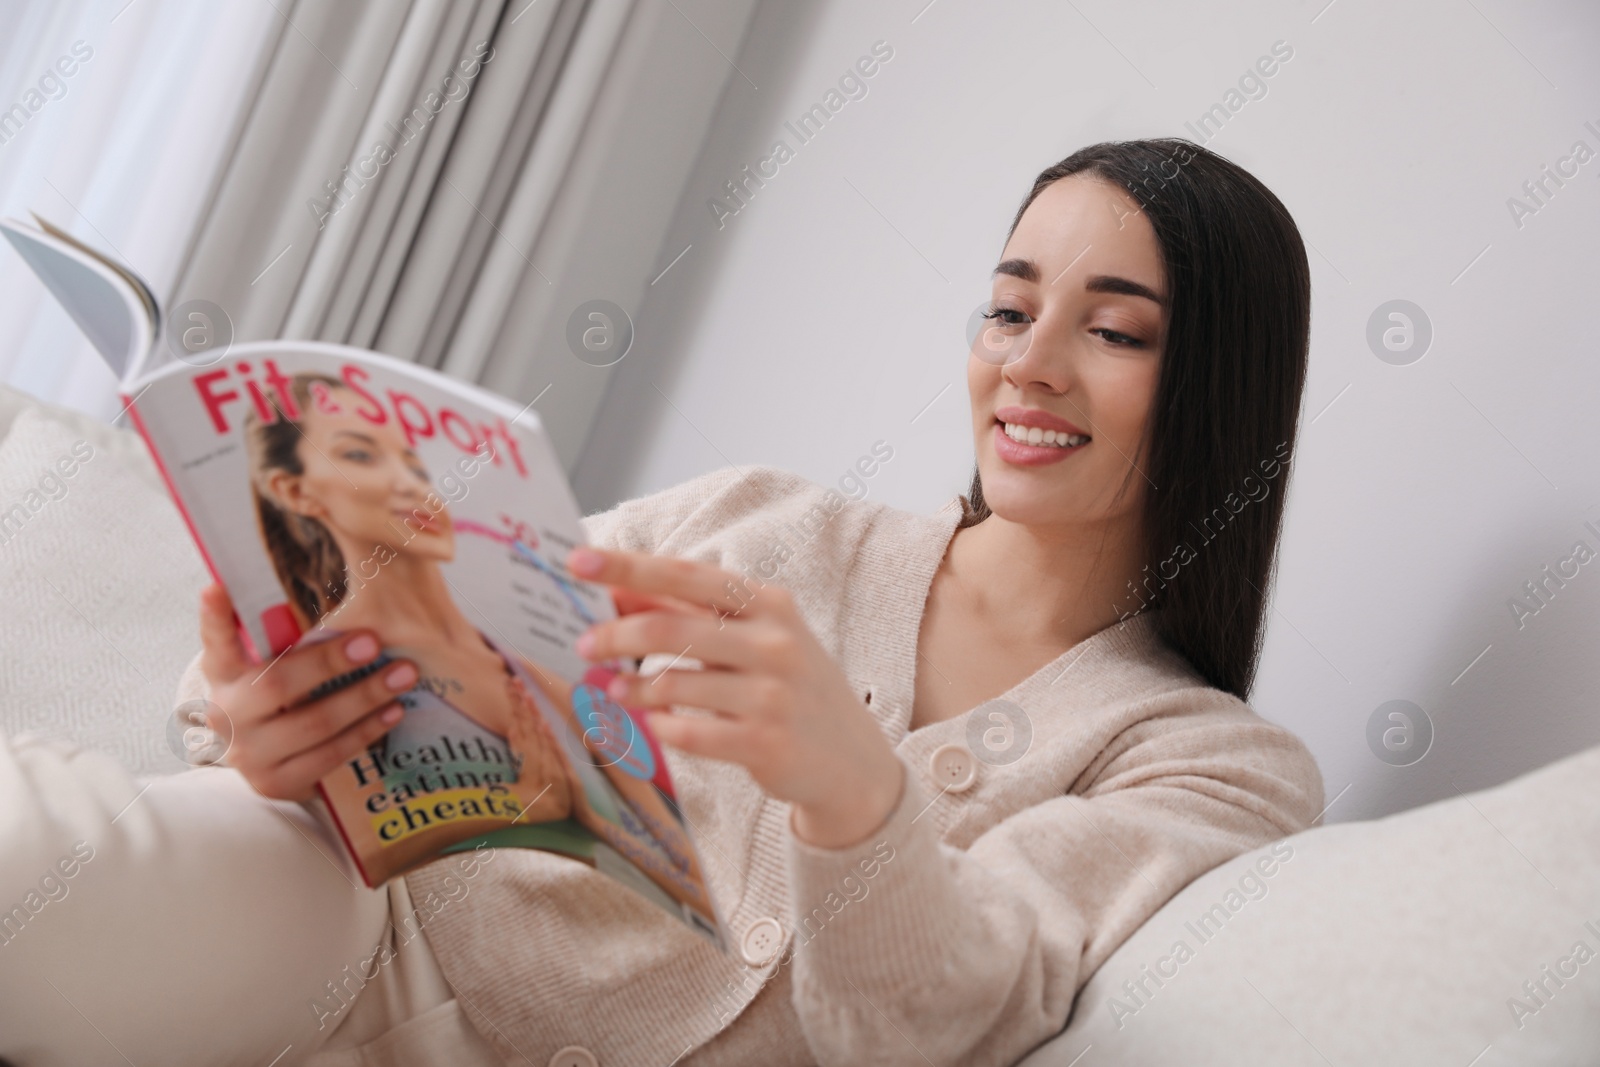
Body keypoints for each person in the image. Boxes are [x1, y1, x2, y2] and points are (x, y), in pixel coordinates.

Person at [0, 138, 1324, 1067]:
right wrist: (259, 721)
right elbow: (422, 638)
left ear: (1221, 381)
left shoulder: (1211, 769)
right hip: (354, 916)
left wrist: (856, 796)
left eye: (1115, 330)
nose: (1028, 367)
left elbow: (936, 1029)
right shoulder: (767, 523)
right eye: (1007, 308)